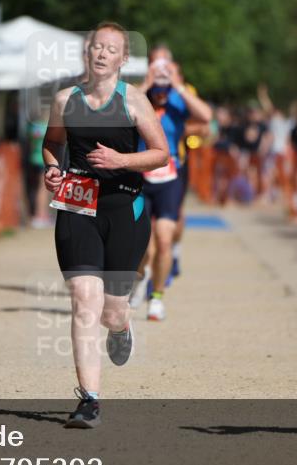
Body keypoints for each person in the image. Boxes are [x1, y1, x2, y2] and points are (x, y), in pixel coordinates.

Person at [42, 22, 169, 428]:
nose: (100, 54)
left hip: (124, 209)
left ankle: (122, 324)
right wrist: (51, 170)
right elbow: (51, 144)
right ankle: (89, 400)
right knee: (83, 300)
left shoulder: (133, 101)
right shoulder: (65, 100)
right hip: (77, 206)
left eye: (110, 49)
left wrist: (121, 161)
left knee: (110, 313)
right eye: (96, 47)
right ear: (87, 52)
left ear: (122, 59)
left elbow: (161, 154)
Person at [129, 50, 211, 320]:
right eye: (159, 88)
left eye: (166, 88)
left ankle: (157, 297)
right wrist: (148, 82)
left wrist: (176, 85)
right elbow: (119, 108)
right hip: (140, 175)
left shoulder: (177, 97)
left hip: (170, 177)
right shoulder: (140, 98)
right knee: (143, 246)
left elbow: (206, 115)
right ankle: (141, 278)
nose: (162, 93)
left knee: (164, 240)